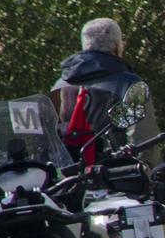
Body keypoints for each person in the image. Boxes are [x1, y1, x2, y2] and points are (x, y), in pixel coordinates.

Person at [53, 18, 152, 161]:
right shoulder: (129, 83)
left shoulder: (60, 85)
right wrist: (150, 172)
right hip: (117, 176)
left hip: (70, 177)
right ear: (118, 46)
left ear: (85, 45)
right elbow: (142, 139)